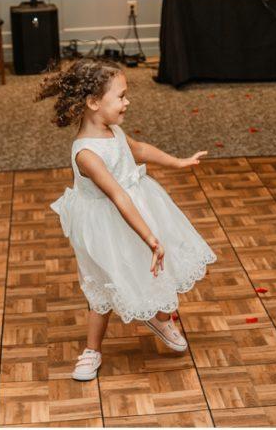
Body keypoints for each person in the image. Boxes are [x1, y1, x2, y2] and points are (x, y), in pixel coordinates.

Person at [38, 58, 216, 381]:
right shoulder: (86, 154)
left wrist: (179, 162)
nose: (127, 102)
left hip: (140, 206)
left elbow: (140, 150)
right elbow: (118, 197)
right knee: (104, 286)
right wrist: (149, 237)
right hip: (105, 224)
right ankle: (92, 350)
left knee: (159, 269)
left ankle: (161, 318)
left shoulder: (113, 130)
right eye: (120, 96)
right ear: (93, 102)